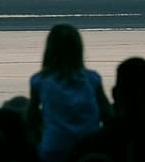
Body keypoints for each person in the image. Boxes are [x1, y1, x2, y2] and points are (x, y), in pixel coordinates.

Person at [27, 24, 111, 162]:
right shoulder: (92, 78)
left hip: (53, 148)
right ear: (78, 49)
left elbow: (31, 118)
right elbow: (107, 112)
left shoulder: (39, 80)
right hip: (89, 148)